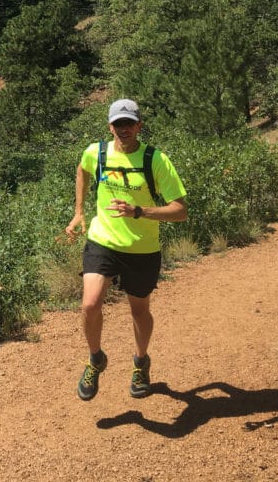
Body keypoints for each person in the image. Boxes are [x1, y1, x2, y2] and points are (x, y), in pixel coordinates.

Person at [64, 98, 188, 401]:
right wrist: (79, 211)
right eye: (118, 124)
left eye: (129, 123)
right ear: (110, 126)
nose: (124, 129)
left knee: (139, 310)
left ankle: (140, 362)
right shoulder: (97, 153)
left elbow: (180, 210)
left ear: (139, 126)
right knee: (90, 305)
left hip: (142, 248)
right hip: (102, 240)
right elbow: (82, 169)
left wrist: (139, 212)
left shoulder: (155, 160)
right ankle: (96, 359)